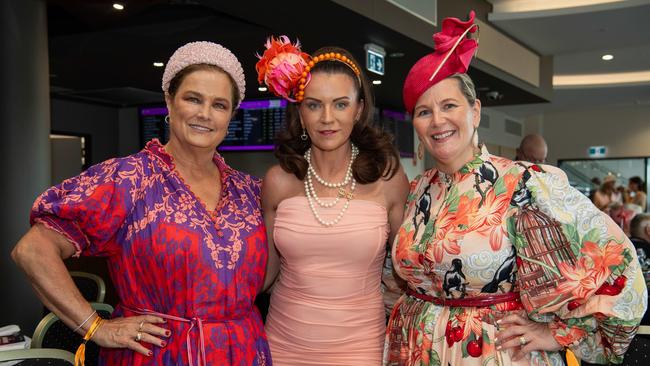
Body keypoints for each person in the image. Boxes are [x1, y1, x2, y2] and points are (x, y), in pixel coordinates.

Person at [384, 11, 646, 366]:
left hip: (496, 354)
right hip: (416, 351)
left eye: (449, 106)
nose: (437, 121)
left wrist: (557, 333)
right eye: (423, 111)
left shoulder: (524, 183)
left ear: (475, 112)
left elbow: (618, 263)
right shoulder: (416, 191)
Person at [11, 41, 271, 365]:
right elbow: (33, 250)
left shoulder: (250, 191)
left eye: (219, 105)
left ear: (232, 115)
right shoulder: (129, 179)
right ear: (169, 101)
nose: (205, 113)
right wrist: (95, 327)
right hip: (157, 355)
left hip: (243, 351)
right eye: (193, 98)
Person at [255, 36, 409, 364]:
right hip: (283, 345)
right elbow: (264, 275)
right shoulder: (278, 181)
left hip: (360, 347)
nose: (327, 118)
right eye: (314, 104)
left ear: (359, 109)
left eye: (340, 104)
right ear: (301, 111)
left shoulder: (389, 179)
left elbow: (409, 272)